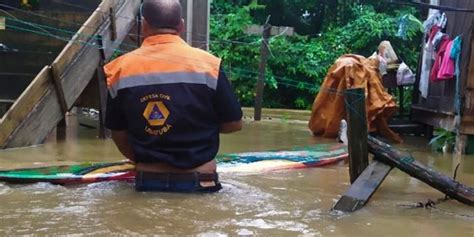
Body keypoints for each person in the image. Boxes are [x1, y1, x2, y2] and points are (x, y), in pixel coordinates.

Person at [104, 0, 243, 193]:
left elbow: (118, 133)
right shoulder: (209, 65)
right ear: (181, 25)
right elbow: (234, 124)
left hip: (147, 182)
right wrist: (198, 128)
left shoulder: (118, 70)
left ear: (143, 25)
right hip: (202, 181)